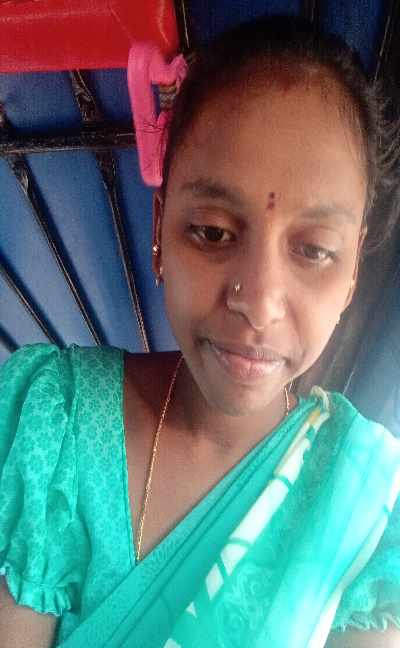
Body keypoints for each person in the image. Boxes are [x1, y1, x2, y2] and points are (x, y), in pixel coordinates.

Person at [0, 14, 399, 648]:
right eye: (212, 232)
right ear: (160, 229)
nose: (259, 305)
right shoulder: (54, 425)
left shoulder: (363, 509)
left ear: (352, 272)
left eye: (315, 250)